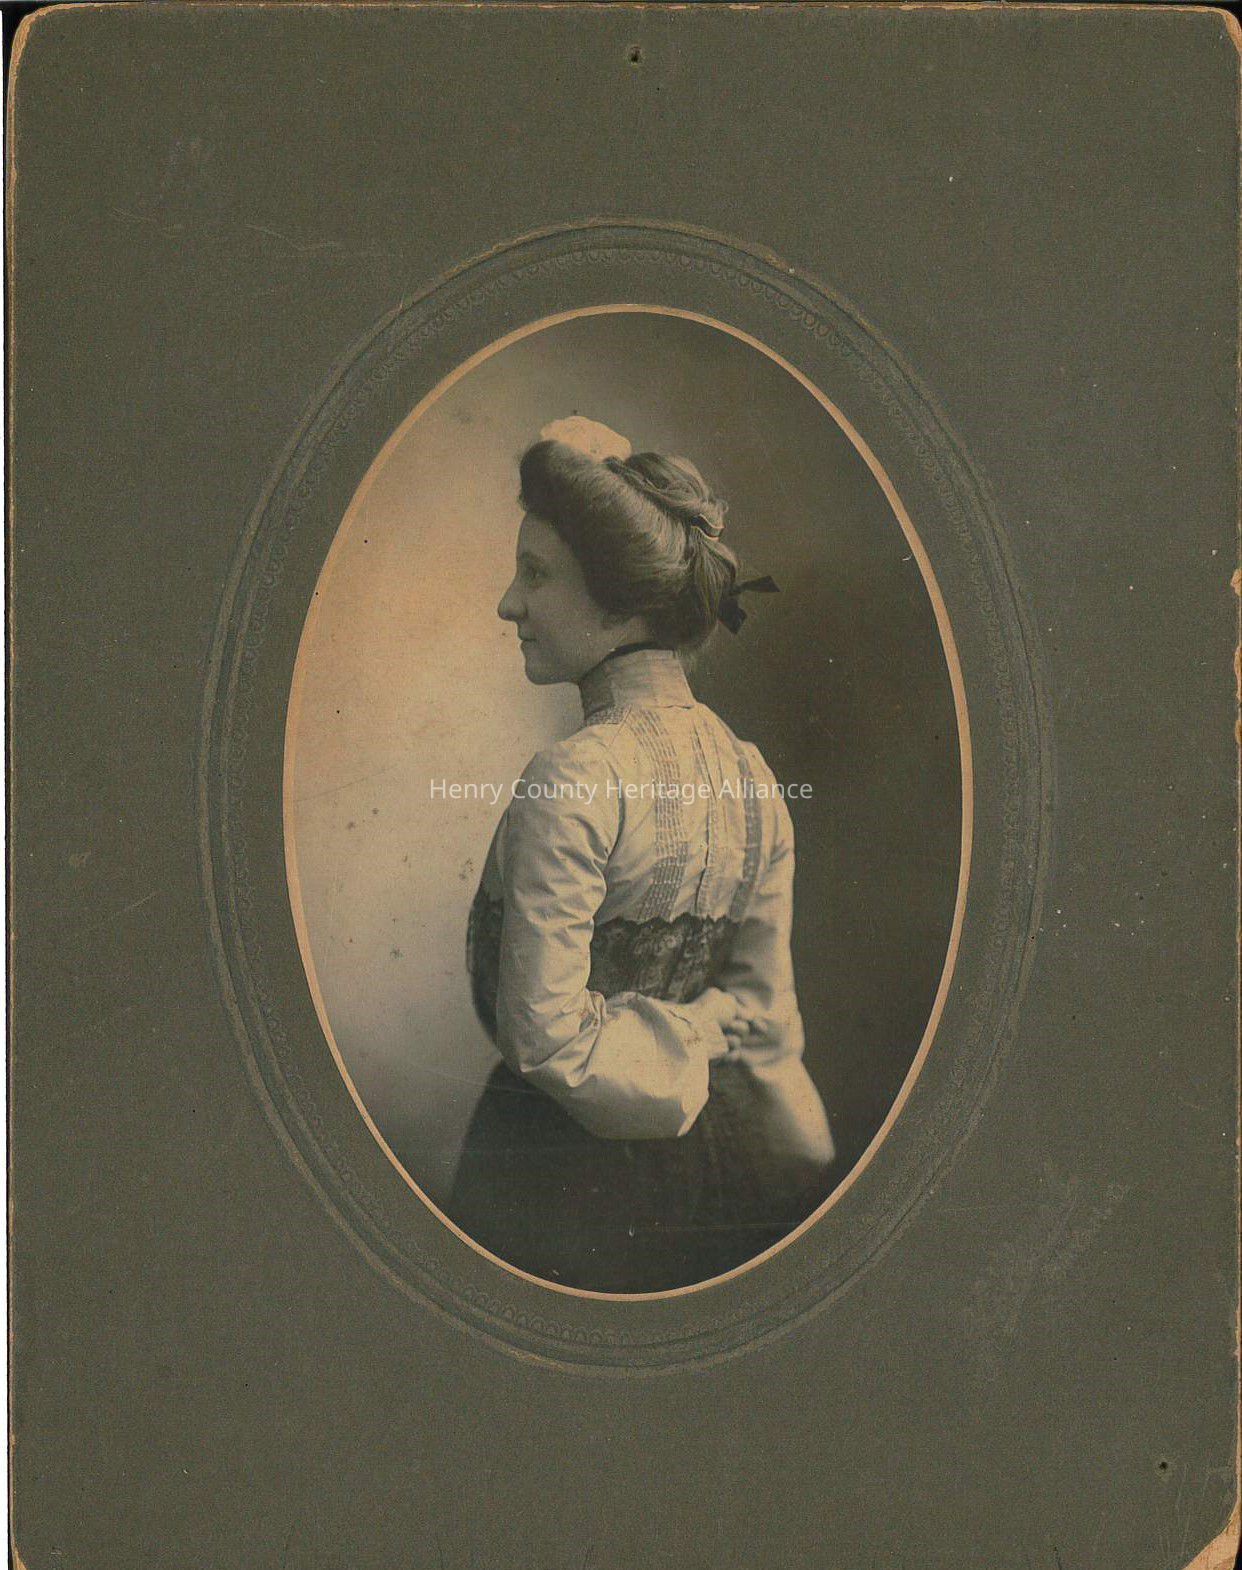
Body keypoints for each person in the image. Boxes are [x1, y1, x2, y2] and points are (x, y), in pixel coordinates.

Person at [447, 416, 834, 1292]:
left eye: (536, 574)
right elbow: (765, 1020)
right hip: (719, 1161)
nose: (510, 604)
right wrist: (711, 1039)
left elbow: (545, 1041)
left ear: (618, 603)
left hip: (558, 1174)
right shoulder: (750, 774)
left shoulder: (572, 778)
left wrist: (686, 1033)